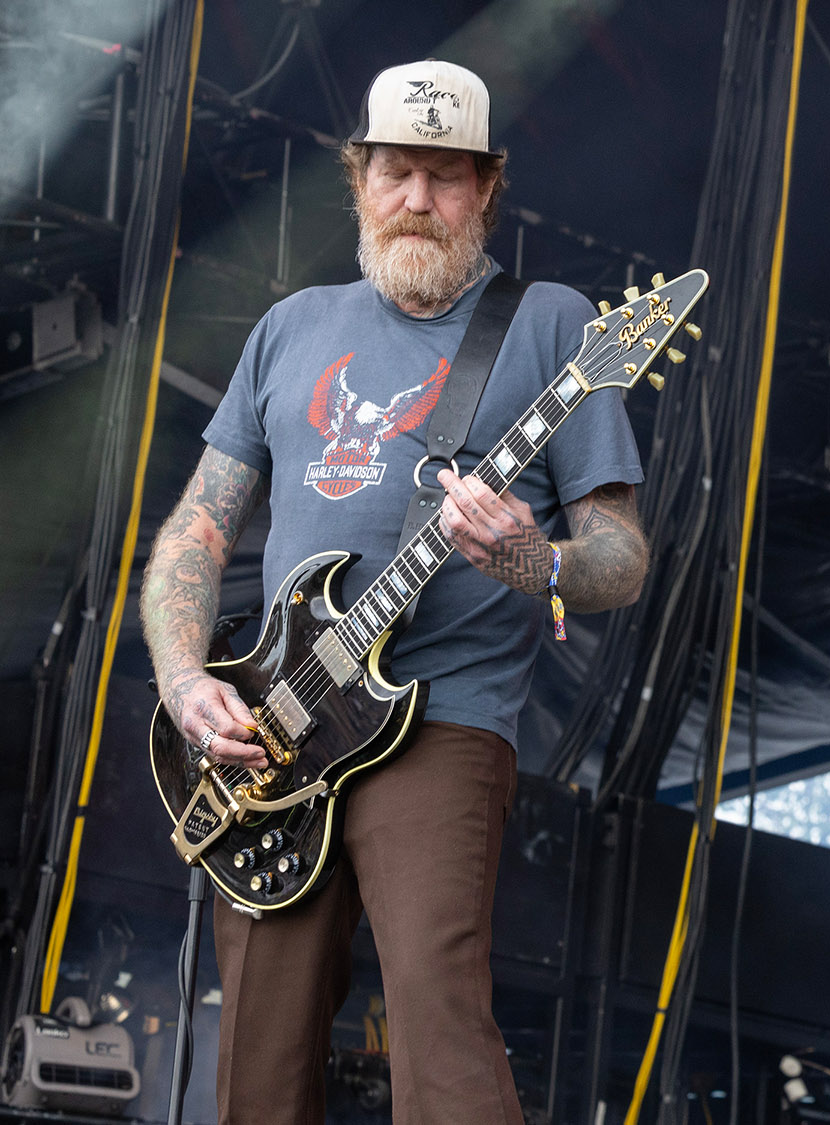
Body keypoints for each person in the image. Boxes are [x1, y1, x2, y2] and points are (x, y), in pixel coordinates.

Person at [139, 59, 648, 1124]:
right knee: (257, 1071)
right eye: (397, 172)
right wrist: (187, 680)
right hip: (273, 735)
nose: (419, 200)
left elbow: (620, 558)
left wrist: (530, 558)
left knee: (439, 1029)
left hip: (442, 723)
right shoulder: (291, 328)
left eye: (446, 177)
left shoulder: (553, 324)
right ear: (358, 179)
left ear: (488, 189)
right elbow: (197, 526)